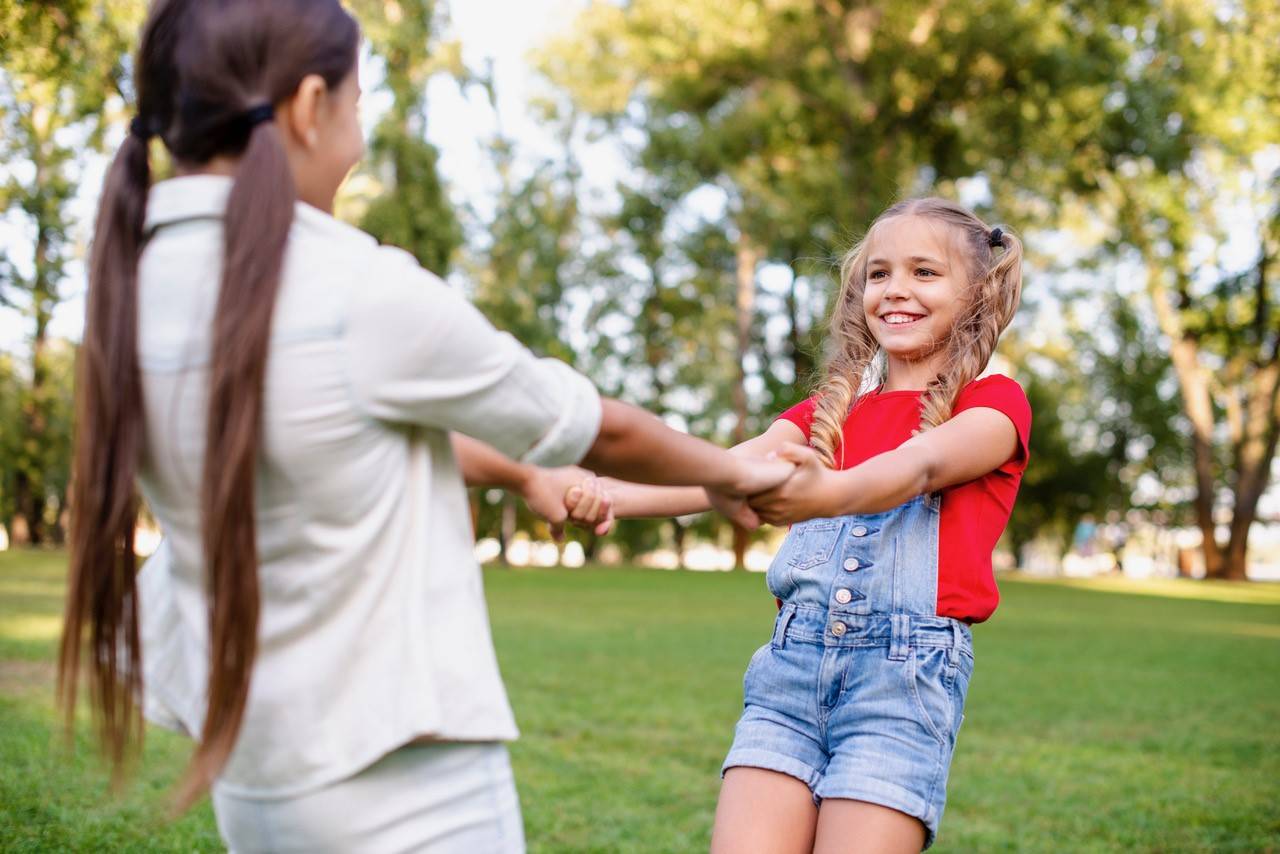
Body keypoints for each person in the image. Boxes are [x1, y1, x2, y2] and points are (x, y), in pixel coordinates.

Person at [55, 1, 791, 851]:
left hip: (256, 783)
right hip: (404, 783)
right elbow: (595, 427)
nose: (359, 136)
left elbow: (341, 439)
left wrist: (521, 476)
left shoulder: (132, 286)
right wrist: (733, 474)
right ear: (306, 107)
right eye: (357, 104)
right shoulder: (354, 288)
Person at [572, 197, 1032, 852]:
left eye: (924, 273)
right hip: (790, 672)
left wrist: (826, 492)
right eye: (879, 274)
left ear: (977, 295)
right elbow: (720, 472)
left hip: (901, 686)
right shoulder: (827, 413)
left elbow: (920, 468)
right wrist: (603, 491)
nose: (896, 289)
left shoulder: (993, 406)